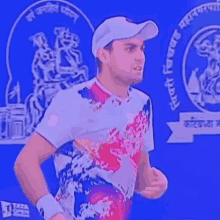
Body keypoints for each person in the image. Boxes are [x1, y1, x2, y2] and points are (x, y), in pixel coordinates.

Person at [14, 16, 168, 220]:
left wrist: (156, 183)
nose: (140, 57)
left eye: (142, 49)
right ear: (103, 55)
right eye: (130, 49)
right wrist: (52, 213)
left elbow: (137, 177)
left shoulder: (142, 103)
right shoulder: (73, 101)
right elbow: (25, 161)